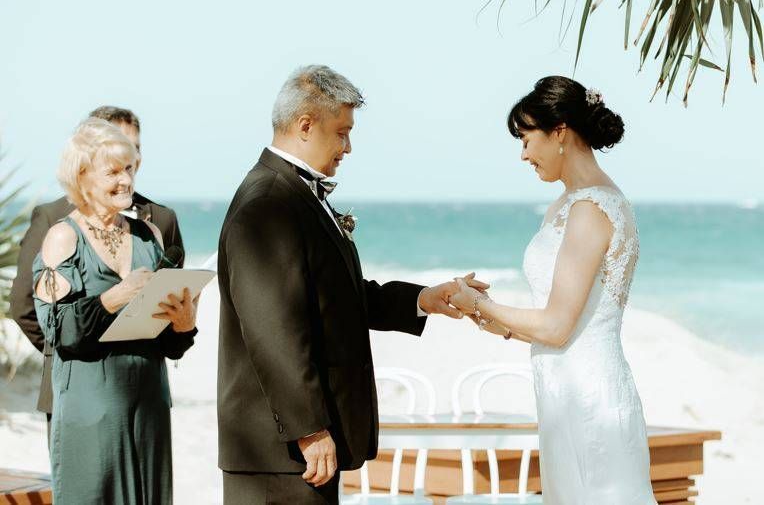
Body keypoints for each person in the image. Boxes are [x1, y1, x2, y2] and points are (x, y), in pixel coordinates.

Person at [217, 65, 486, 504]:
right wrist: (308, 428)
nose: (348, 147)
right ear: (306, 125)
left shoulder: (294, 196)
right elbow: (273, 330)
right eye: (342, 132)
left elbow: (335, 296)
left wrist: (422, 299)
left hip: (301, 448)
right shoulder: (267, 203)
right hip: (280, 451)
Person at [449, 76, 657, 505]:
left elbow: (559, 326)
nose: (523, 154)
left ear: (559, 131)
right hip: (563, 392)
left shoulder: (590, 210)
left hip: (588, 399)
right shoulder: (566, 205)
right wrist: (494, 322)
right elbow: (563, 320)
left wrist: (483, 301)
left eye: (526, 138)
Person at [31, 117, 198, 505]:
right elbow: (57, 330)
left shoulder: (149, 235)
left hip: (150, 405)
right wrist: (114, 297)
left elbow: (168, 342)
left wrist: (183, 327)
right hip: (91, 411)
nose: (126, 180)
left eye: (129, 169)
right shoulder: (62, 237)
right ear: (83, 176)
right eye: (113, 172)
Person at [10, 105, 185, 422]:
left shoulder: (161, 221)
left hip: (147, 394)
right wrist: (74, 357)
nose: (131, 164)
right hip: (77, 391)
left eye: (136, 151)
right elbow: (26, 305)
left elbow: (168, 313)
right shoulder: (54, 220)